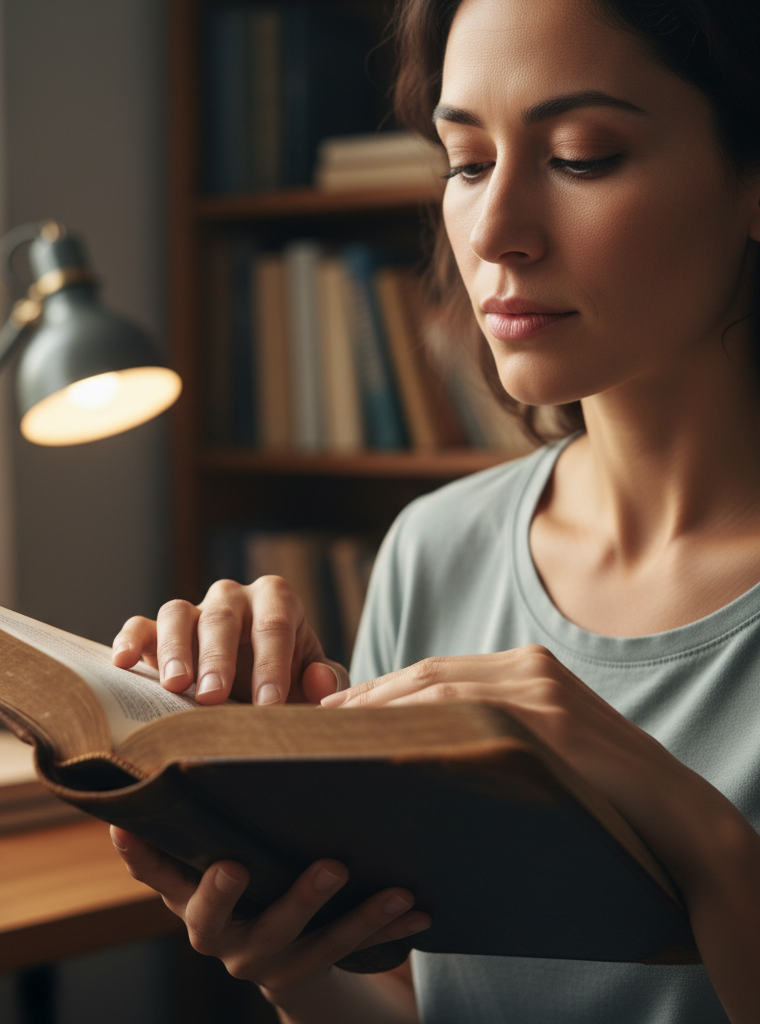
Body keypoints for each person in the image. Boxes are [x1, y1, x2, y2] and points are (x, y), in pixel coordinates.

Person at [109, 0, 760, 1019]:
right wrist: (294, 960)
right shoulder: (436, 545)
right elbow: (422, 1001)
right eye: (465, 161)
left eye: (582, 156)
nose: (496, 231)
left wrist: (690, 823)